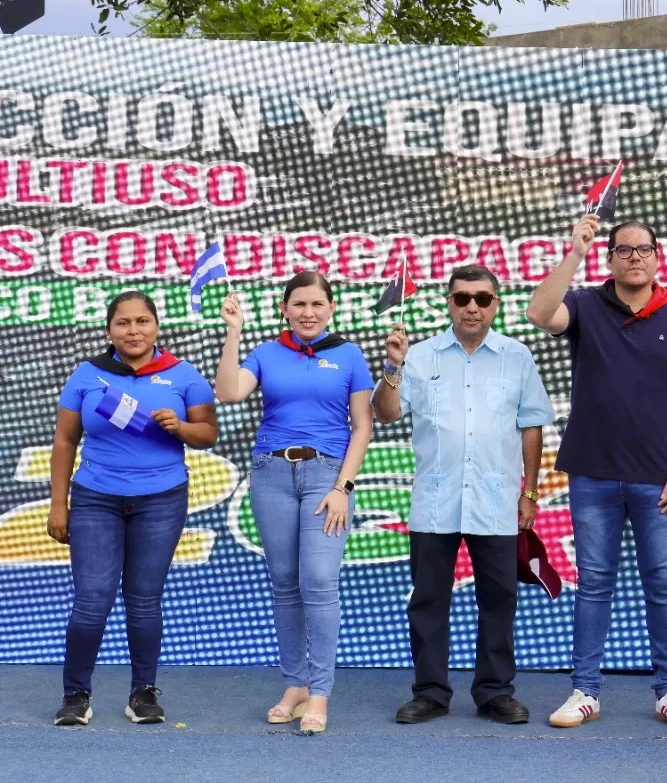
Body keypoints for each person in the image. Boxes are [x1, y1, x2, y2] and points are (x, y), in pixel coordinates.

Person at [526, 214, 667, 730]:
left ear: (658, 257)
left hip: (660, 477)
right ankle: (584, 691)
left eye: (643, 249)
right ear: (610, 259)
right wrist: (575, 251)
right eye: (623, 250)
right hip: (593, 473)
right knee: (594, 584)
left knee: (663, 583)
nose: (635, 257)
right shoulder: (585, 304)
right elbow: (539, 311)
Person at [373, 265, 554, 726]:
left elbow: (531, 425)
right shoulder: (419, 355)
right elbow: (387, 414)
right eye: (461, 298)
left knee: (499, 598)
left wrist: (529, 491)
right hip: (435, 500)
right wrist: (393, 366)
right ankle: (430, 692)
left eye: (482, 298)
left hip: (496, 500)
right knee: (429, 600)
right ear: (448, 303)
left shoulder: (517, 357)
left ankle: (495, 692)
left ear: (496, 303)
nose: (472, 306)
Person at [213, 271, 375, 734]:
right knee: (284, 583)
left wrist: (343, 487)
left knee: (319, 581)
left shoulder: (348, 355)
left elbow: (362, 425)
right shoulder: (266, 353)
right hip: (271, 473)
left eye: (317, 304)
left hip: (327, 474)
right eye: (298, 304)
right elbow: (228, 392)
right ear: (284, 308)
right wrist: (233, 331)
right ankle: (295, 685)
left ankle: (319, 694)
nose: (308, 312)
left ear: (331, 308)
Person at [47, 291, 218, 726]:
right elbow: (65, 441)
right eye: (123, 323)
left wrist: (179, 427)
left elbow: (208, 434)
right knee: (91, 603)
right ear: (109, 330)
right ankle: (76, 695)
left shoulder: (183, 375)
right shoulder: (87, 375)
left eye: (143, 321)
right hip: (95, 499)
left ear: (157, 326)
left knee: (144, 602)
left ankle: (142, 693)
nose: (134, 330)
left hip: (161, 500)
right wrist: (58, 506)